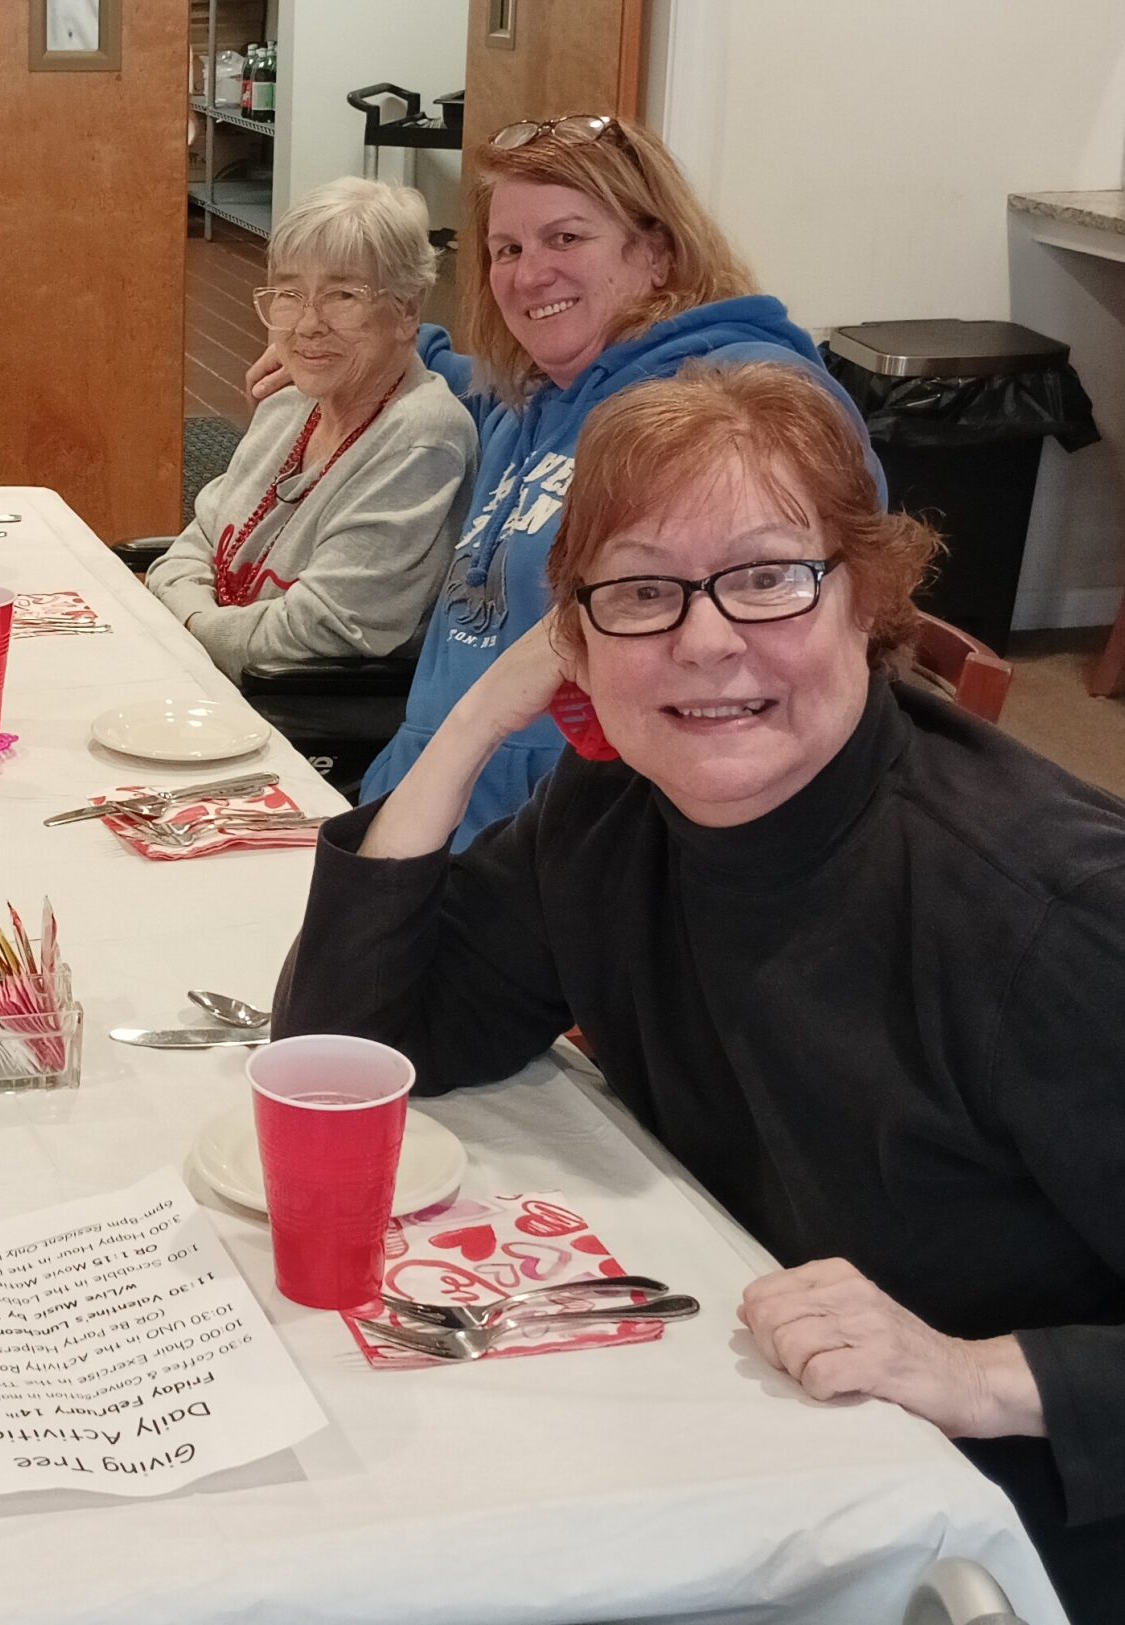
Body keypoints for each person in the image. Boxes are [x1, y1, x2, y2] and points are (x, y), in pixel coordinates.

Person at [273, 363, 1125, 1618]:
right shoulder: (617, 811)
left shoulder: (1042, 912)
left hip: (981, 1531)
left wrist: (986, 1373)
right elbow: (355, 1053)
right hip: (735, 1436)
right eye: (639, 591)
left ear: (866, 597)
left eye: (769, 575)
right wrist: (471, 727)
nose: (706, 638)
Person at [251, 114, 861, 847]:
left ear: (657, 251)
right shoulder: (534, 395)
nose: (529, 272)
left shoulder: (725, 410)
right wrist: (360, 338)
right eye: (506, 248)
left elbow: (757, 690)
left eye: (566, 238)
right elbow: (466, 379)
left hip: (549, 858)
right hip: (415, 816)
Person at [146, 178, 475, 686]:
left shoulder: (421, 439)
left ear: (408, 309)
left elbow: (320, 630)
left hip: (292, 716)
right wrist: (195, 622)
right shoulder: (289, 404)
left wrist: (185, 625)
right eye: (288, 294)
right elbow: (195, 544)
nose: (307, 324)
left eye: (342, 294)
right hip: (209, 676)